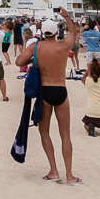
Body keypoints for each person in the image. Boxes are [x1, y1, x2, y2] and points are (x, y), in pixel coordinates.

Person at [16, 11, 81, 185]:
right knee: (65, 134)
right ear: (56, 32)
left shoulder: (36, 47)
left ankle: (53, 170)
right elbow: (73, 33)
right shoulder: (63, 46)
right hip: (60, 90)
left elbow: (18, 62)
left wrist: (33, 60)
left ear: (42, 32)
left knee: (44, 131)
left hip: (44, 91)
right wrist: (67, 17)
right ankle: (69, 176)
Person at [80, 58, 100, 136]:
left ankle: (90, 127)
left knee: (85, 125)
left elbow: (83, 78)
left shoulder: (88, 81)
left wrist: (88, 68)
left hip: (92, 113)